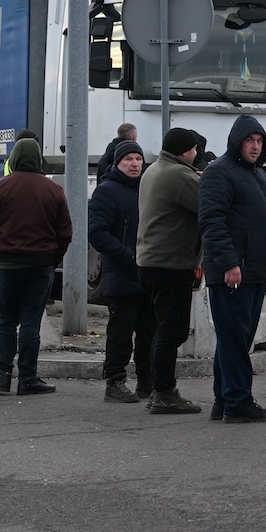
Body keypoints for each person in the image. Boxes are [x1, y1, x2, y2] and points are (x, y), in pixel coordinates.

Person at [197, 115, 266, 423]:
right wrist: (229, 262)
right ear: (236, 142)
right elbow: (211, 221)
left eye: (259, 141)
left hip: (255, 271)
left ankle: (224, 400)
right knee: (234, 340)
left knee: (236, 340)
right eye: (249, 141)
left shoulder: (258, 175)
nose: (255, 147)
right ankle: (239, 403)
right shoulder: (219, 173)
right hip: (233, 272)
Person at [0, 136, 72, 396]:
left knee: (6, 322)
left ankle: (3, 376)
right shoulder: (53, 190)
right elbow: (65, 231)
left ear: (15, 158)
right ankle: (28, 378)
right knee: (31, 323)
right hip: (41, 265)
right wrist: (53, 258)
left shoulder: (1, 188)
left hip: (7, 265)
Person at [136, 127, 205, 416]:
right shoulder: (179, 175)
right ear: (185, 151)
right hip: (171, 263)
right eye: (194, 149)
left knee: (159, 328)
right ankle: (164, 392)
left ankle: (156, 388)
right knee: (171, 330)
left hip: (150, 261)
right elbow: (209, 203)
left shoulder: (154, 170)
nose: (197, 153)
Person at [89, 138, 151, 404]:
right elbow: (97, 233)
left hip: (148, 274)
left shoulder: (147, 189)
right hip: (122, 274)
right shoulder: (107, 191)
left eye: (138, 159)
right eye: (129, 159)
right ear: (117, 163)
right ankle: (114, 381)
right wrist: (129, 256)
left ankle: (148, 383)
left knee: (150, 333)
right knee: (120, 333)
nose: (135, 164)